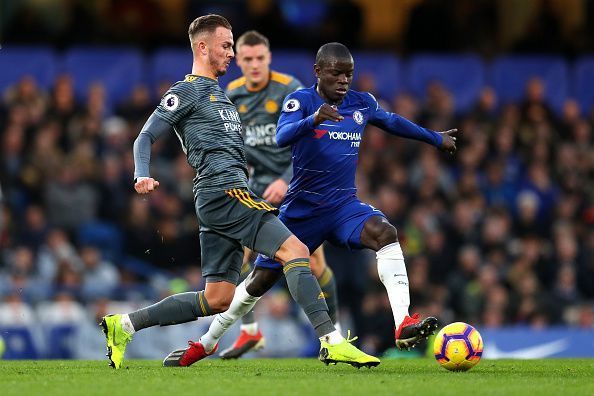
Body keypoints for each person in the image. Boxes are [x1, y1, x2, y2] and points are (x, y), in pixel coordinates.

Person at [101, 16, 378, 370]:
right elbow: (145, 136)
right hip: (224, 191)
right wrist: (142, 173)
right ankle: (331, 340)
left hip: (221, 196)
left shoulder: (221, 93)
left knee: (217, 299)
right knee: (295, 249)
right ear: (202, 47)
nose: (232, 53)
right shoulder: (186, 90)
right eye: (226, 46)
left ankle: (124, 325)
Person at [176, 42, 458, 364]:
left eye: (348, 74)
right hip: (302, 211)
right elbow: (282, 136)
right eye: (336, 74)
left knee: (385, 232)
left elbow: (392, 121)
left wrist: (435, 138)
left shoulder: (361, 103)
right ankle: (208, 341)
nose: (343, 81)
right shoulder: (301, 101)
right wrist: (312, 119)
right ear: (318, 72)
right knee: (258, 282)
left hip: (342, 207)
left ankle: (403, 322)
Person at [217, 30, 342, 359]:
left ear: (269, 58)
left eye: (260, 58)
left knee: (313, 263)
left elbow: (315, 139)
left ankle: (336, 334)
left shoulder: (291, 89)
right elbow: (234, 143)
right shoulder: (232, 93)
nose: (254, 65)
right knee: (238, 256)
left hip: (298, 184)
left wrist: (286, 179)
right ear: (237, 61)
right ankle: (249, 332)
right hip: (256, 190)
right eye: (247, 59)